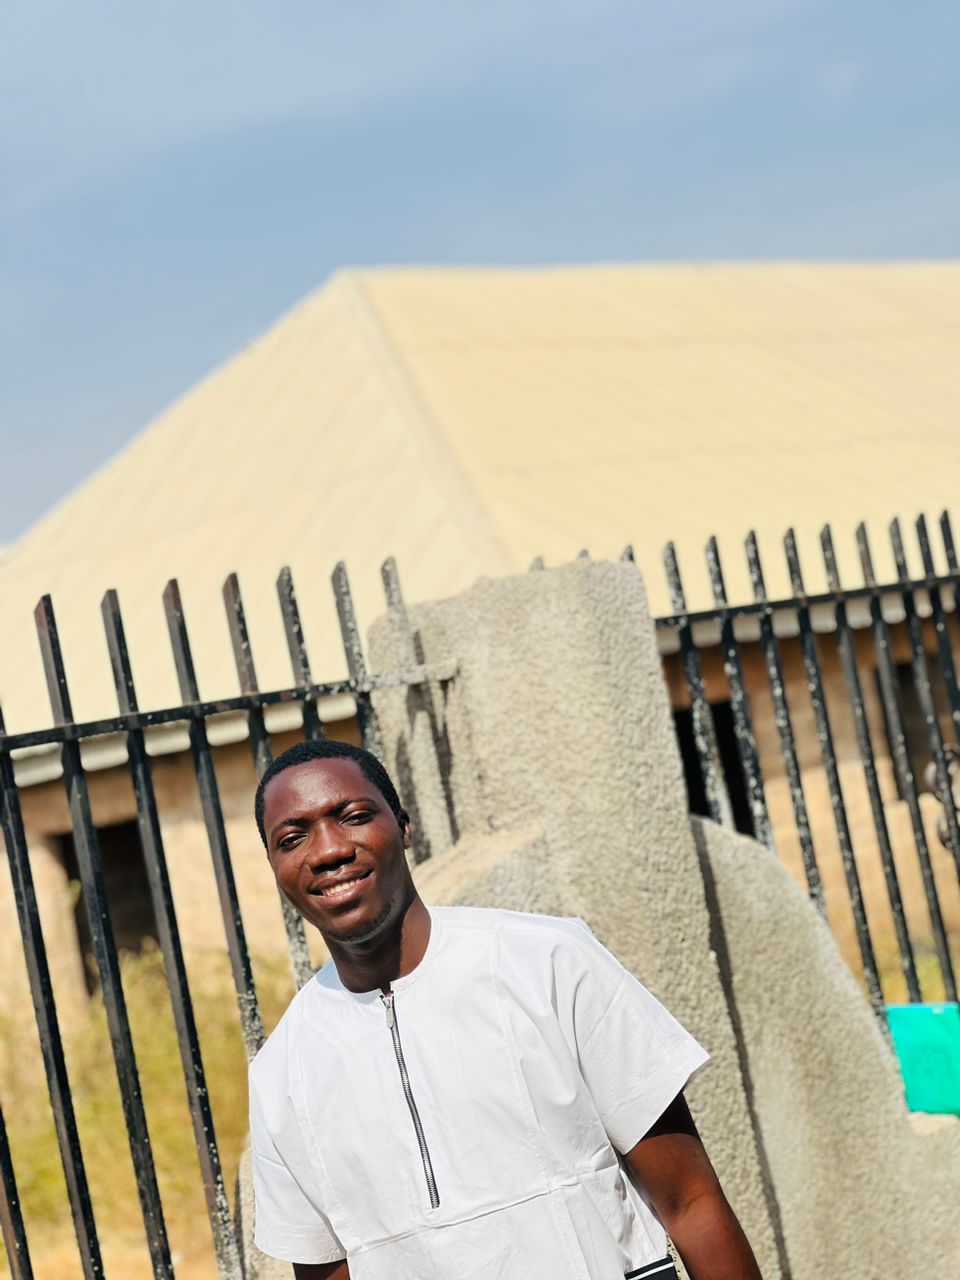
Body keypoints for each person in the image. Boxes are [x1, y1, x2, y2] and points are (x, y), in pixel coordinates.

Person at [249, 739, 762, 1280]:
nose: (328, 850)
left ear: (402, 827)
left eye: (353, 817)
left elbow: (691, 1201)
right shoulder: (283, 1073)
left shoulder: (549, 964)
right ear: (275, 867)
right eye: (292, 839)